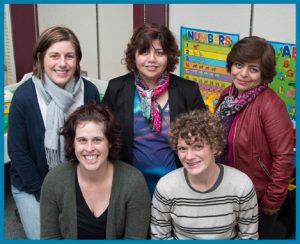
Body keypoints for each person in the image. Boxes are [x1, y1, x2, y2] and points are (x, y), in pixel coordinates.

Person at [7, 26, 100, 239]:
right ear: (41, 58)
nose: (62, 63)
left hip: (81, 180)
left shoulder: (89, 92)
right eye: (54, 56)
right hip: (33, 184)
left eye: (69, 56)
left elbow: (99, 142)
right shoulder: (24, 97)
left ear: (77, 60)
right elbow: (18, 154)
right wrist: (46, 196)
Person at [102, 23, 206, 195]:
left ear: (169, 57)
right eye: (144, 52)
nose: (152, 59)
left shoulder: (188, 91)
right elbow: (103, 135)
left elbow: (205, 139)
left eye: (159, 53)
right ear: (133, 56)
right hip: (129, 186)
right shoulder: (116, 88)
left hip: (179, 186)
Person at [215, 36, 295, 239]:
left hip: (256, 200)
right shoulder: (227, 95)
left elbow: (284, 157)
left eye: (253, 69)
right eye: (239, 64)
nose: (243, 74)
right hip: (224, 193)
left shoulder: (270, 105)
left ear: (264, 74)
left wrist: (271, 201)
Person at [40, 104, 151, 239]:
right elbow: (50, 238)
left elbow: (135, 239)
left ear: (110, 142)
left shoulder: (133, 181)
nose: (89, 148)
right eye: (82, 140)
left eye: (97, 140)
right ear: (73, 143)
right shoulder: (54, 180)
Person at [151, 110, 259, 240]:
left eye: (198, 146)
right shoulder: (166, 187)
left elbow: (249, 237)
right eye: (183, 149)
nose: (189, 157)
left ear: (215, 147)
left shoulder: (241, 185)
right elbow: (160, 238)